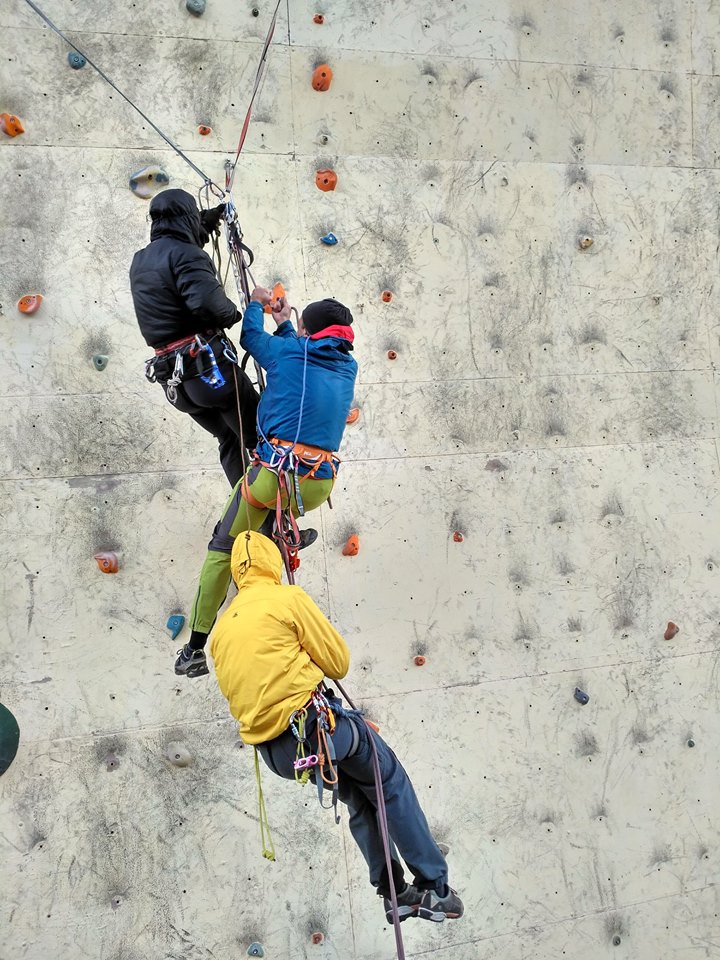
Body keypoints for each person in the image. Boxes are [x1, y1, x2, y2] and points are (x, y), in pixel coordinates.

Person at [210, 531, 465, 923]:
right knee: (388, 782)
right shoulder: (286, 599)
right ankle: (433, 887)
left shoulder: (221, 632)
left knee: (361, 798)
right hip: (317, 729)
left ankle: (394, 893)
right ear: (271, 562)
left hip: (280, 756)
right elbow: (338, 662)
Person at [174, 287, 358, 678]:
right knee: (267, 513)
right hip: (317, 484)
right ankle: (280, 530)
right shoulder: (347, 368)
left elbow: (250, 339)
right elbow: (306, 355)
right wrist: (288, 323)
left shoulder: (289, 353)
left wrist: (257, 304)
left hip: (274, 478)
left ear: (308, 331)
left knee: (223, 547)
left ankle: (193, 649)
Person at [129, 188, 259, 487]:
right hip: (210, 372)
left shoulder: (142, 259)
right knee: (264, 441)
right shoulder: (186, 254)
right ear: (186, 217)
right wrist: (235, 314)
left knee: (229, 440)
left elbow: (181, 240)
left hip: (179, 384)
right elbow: (206, 304)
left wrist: (211, 218)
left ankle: (237, 529)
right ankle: (278, 529)